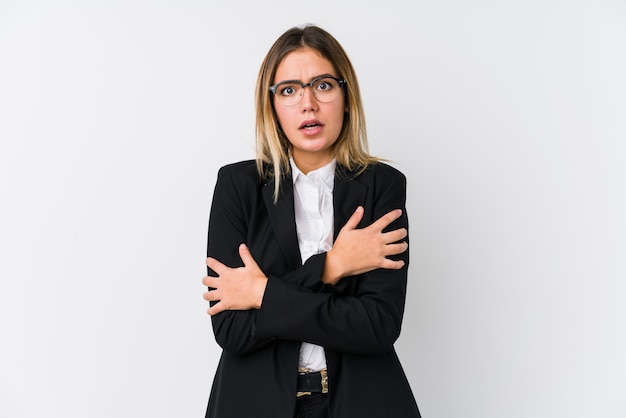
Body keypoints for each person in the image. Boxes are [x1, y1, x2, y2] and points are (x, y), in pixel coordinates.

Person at [202, 24, 421, 418]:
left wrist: (261, 295)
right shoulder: (238, 186)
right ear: (271, 105)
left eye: (322, 85)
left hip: (362, 401)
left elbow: (378, 325)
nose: (308, 104)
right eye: (289, 90)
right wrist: (331, 266)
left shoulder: (382, 186)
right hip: (253, 402)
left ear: (346, 96)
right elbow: (232, 331)